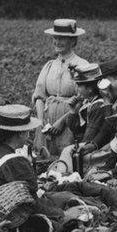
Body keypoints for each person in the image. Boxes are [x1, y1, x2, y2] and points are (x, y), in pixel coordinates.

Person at [32, 19, 89, 159]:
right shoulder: (49, 66)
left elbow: (84, 99)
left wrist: (62, 121)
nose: (57, 42)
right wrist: (40, 124)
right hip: (47, 122)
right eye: (55, 38)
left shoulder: (82, 65)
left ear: (73, 41)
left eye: (62, 38)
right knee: (44, 158)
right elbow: (39, 96)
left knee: (66, 158)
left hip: (70, 122)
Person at [51, 63, 114, 175]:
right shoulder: (88, 103)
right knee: (69, 149)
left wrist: (78, 145)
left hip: (102, 146)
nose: (77, 89)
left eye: (79, 85)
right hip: (91, 142)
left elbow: (88, 137)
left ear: (90, 89)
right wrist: (73, 111)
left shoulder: (98, 106)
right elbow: (76, 129)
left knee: (68, 151)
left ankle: (63, 178)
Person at [0, 104, 42, 195]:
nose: (28, 135)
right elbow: (32, 193)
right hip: (4, 207)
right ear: (21, 133)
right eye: (27, 130)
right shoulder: (16, 161)